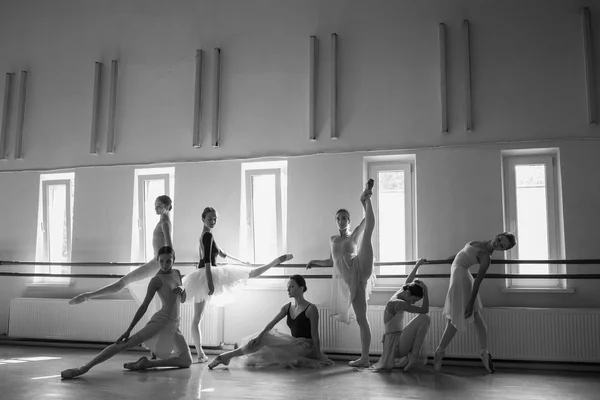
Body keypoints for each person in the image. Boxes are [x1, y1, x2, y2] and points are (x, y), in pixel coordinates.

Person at [61, 246, 193, 379]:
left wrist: (182, 290)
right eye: (161, 261)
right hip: (161, 321)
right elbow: (144, 306)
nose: (165, 265)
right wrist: (128, 330)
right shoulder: (156, 280)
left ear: (174, 260)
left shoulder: (176, 273)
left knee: (186, 361)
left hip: (174, 324)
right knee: (125, 344)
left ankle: (147, 364)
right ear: (158, 260)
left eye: (168, 261)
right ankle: (83, 368)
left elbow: (183, 299)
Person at [184, 206, 293, 363]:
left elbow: (223, 254)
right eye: (210, 219)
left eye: (215, 219)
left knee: (197, 318)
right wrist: (209, 282)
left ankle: (200, 353)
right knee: (250, 274)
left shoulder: (207, 235)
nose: (213, 221)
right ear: (203, 219)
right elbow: (207, 260)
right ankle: (276, 261)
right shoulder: (207, 235)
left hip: (203, 274)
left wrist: (242, 261)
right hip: (207, 274)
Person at [306, 180, 376, 367]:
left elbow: (366, 223)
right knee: (362, 319)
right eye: (339, 218)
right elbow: (331, 261)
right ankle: (365, 358)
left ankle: (366, 198)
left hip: (359, 268)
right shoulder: (332, 239)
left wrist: (364, 205)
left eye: (345, 217)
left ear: (349, 220)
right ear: (336, 221)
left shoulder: (353, 235)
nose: (342, 220)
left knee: (368, 233)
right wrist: (314, 262)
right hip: (350, 280)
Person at [207, 275, 333, 369]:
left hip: (306, 346)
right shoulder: (287, 307)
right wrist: (258, 337)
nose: (288, 289)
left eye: (292, 286)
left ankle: (225, 357)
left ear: (302, 288)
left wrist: (317, 355)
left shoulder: (311, 309)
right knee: (264, 338)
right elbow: (271, 324)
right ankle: (227, 356)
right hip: (294, 343)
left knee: (268, 349)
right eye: (287, 287)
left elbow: (315, 335)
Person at [433, 232, 517, 373]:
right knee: (474, 318)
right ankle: (484, 354)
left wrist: (471, 303)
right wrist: (455, 258)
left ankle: (439, 353)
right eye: (500, 240)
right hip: (461, 274)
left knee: (456, 318)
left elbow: (478, 281)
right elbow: (466, 254)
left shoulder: (486, 257)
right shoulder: (482, 242)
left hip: (460, 279)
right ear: (499, 235)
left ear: (502, 250)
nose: (499, 244)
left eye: (502, 246)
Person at [69, 195, 174, 305]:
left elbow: (170, 249)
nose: (156, 209)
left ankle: (87, 296)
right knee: (125, 283)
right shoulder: (163, 222)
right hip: (156, 263)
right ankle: (87, 296)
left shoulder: (165, 224)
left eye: (159, 206)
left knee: (122, 282)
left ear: (167, 207)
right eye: (155, 206)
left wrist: (168, 269)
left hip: (157, 264)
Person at [372, 258, 430, 372]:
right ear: (408, 294)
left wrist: (417, 265)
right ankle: (413, 357)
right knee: (424, 318)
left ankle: (413, 357)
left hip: (397, 340)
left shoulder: (401, 293)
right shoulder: (399, 303)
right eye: (413, 300)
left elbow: (409, 281)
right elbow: (424, 310)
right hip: (395, 345)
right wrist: (426, 291)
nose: (413, 303)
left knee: (424, 319)